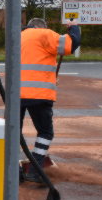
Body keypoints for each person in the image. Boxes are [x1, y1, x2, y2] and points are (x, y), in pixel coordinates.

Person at [20, 17, 80, 182]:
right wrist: (74, 28)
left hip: (15, 93)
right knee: (45, 132)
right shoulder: (44, 34)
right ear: (41, 27)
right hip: (38, 93)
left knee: (13, 132)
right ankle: (35, 169)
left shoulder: (18, 36)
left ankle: (11, 170)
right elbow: (70, 45)